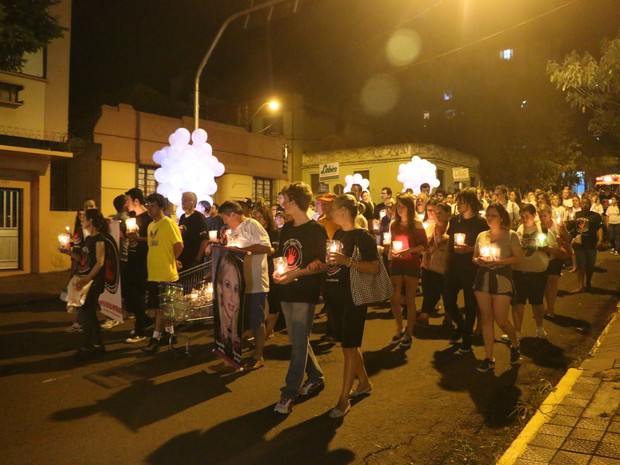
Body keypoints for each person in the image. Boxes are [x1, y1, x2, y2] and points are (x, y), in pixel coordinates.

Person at [272, 181, 328, 415]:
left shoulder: (316, 230)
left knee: (297, 343)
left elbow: (321, 264)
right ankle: (316, 376)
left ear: (294, 202)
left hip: (305, 291)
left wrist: (297, 273)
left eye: (284, 199)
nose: (281, 203)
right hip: (286, 289)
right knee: (297, 339)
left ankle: (289, 393)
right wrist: (279, 271)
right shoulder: (287, 228)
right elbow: (281, 256)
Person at [323, 194, 378, 418]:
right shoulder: (338, 233)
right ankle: (364, 383)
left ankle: (343, 400)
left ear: (344, 210)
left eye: (333, 208)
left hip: (354, 296)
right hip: (336, 294)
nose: (329, 212)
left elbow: (374, 267)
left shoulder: (362, 236)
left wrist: (348, 261)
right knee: (349, 344)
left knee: (348, 348)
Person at [219, 200, 271, 370]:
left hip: (255, 282)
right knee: (238, 321)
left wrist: (242, 250)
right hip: (237, 284)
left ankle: (258, 355)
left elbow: (266, 248)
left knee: (257, 321)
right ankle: (234, 354)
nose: (224, 222)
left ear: (233, 214)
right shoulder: (232, 231)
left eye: (225, 218)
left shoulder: (252, 225)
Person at [472, 203, 523, 372]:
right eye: (488, 215)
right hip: (483, 278)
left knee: (501, 319)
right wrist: (478, 260)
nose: (489, 218)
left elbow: (518, 258)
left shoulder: (511, 235)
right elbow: (474, 257)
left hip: (501, 279)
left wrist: (498, 262)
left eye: (493, 215)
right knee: (486, 318)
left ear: (502, 218)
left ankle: (514, 343)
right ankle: (488, 357)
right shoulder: (481, 236)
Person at [444, 188, 489, 354]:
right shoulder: (455, 220)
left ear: (470, 203)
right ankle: (462, 326)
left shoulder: (480, 223)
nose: (459, 204)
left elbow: (484, 246)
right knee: (448, 300)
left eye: (462, 201)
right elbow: (450, 241)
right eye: (458, 201)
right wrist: (447, 260)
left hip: (471, 267)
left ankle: (467, 340)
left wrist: (469, 249)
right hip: (454, 266)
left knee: (470, 304)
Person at [60, 209, 109, 362]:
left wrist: (87, 279)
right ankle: (99, 346)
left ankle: (86, 347)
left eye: (84, 218)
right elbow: (82, 259)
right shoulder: (88, 239)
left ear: (91, 220)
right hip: (85, 279)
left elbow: (100, 262)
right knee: (89, 314)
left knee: (86, 313)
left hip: (94, 282)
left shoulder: (99, 239)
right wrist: (68, 252)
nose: (81, 220)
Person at [141, 193, 184, 355]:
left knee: (160, 308)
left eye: (152, 206)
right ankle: (171, 333)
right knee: (162, 308)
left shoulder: (168, 223)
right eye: (148, 206)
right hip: (153, 272)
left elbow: (179, 245)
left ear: (161, 207)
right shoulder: (151, 226)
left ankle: (155, 338)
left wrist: (171, 259)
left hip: (165, 273)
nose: (149, 209)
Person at [509, 204, 557, 341]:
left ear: (534, 215)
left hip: (537, 271)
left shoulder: (543, 230)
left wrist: (545, 248)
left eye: (527, 216)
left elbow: (553, 247)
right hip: (519, 270)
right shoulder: (519, 230)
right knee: (518, 302)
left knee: (537, 302)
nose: (524, 219)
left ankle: (540, 327)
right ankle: (517, 331)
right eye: (522, 216)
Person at [388, 192, 427, 349]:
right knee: (394, 297)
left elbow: (424, 245)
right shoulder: (394, 225)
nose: (399, 209)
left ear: (409, 208)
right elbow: (392, 243)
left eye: (402, 206)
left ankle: (409, 332)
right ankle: (399, 327)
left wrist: (409, 251)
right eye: (398, 206)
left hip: (411, 263)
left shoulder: (416, 224)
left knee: (410, 299)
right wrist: (392, 252)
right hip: (397, 263)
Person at [124, 188, 153, 344]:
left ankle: (140, 330)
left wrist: (138, 237)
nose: (126, 204)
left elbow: (152, 240)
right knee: (129, 294)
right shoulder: (131, 217)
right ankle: (145, 320)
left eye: (128, 200)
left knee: (138, 294)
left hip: (143, 261)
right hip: (132, 259)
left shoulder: (148, 219)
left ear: (136, 201)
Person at [252, 204, 281, 339]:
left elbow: (273, 251)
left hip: (270, 270)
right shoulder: (253, 232)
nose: (258, 220)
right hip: (257, 270)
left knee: (272, 302)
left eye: (260, 217)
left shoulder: (273, 232)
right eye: (255, 217)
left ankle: (268, 332)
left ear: (267, 218)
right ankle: (259, 331)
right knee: (260, 303)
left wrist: (261, 249)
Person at [419, 203, 451, 326]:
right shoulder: (429, 228)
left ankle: (449, 315)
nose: (437, 215)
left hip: (444, 266)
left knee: (447, 293)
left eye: (440, 213)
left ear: (448, 213)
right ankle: (425, 315)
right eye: (435, 212)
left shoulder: (452, 229)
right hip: (428, 264)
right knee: (428, 292)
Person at [539, 205, 572, 319]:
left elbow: (568, 239)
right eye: (541, 216)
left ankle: (551, 308)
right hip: (543, 258)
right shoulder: (538, 226)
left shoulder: (557, 225)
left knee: (552, 283)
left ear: (550, 214)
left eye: (545, 215)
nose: (543, 218)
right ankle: (547, 306)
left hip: (556, 257)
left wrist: (563, 230)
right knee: (544, 285)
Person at [570, 197, 603, 292]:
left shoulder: (596, 216)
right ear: (580, 205)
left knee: (590, 265)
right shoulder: (576, 215)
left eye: (587, 204)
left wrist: (600, 240)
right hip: (579, 244)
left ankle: (588, 282)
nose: (585, 205)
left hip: (591, 244)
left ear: (590, 205)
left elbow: (599, 228)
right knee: (581, 265)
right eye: (583, 203)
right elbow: (572, 228)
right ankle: (580, 285)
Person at [215, 251, 243, 358]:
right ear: (220, 287)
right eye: (227, 285)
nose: (232, 297)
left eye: (236, 289)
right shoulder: (219, 326)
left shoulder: (239, 327)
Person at [177, 192, 209, 270]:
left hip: (193, 258)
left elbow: (205, 239)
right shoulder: (182, 217)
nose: (183, 203)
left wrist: (197, 259)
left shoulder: (199, 218)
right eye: (182, 201)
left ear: (193, 202)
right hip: (182, 257)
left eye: (185, 201)